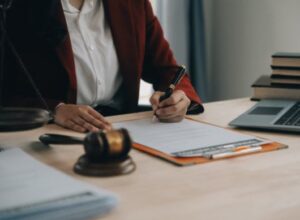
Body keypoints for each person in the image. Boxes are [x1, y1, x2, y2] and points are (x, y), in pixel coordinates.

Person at [3, 0, 204, 133]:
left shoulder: (132, 4)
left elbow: (167, 70)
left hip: (121, 130)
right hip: (51, 133)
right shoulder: (13, 7)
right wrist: (55, 110)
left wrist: (178, 97)